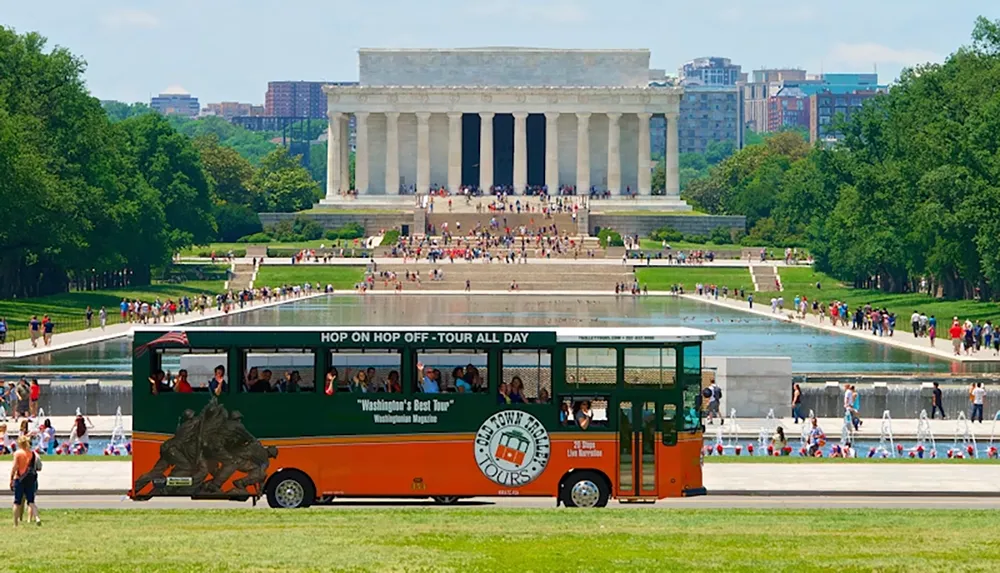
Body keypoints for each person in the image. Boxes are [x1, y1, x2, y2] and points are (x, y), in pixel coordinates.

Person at [9, 435, 41, 527]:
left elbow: (15, 467)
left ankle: (15, 523)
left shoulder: (18, 453)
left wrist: (11, 479)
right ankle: (37, 517)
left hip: (19, 478)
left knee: (17, 502)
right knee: (31, 501)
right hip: (30, 479)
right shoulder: (31, 453)